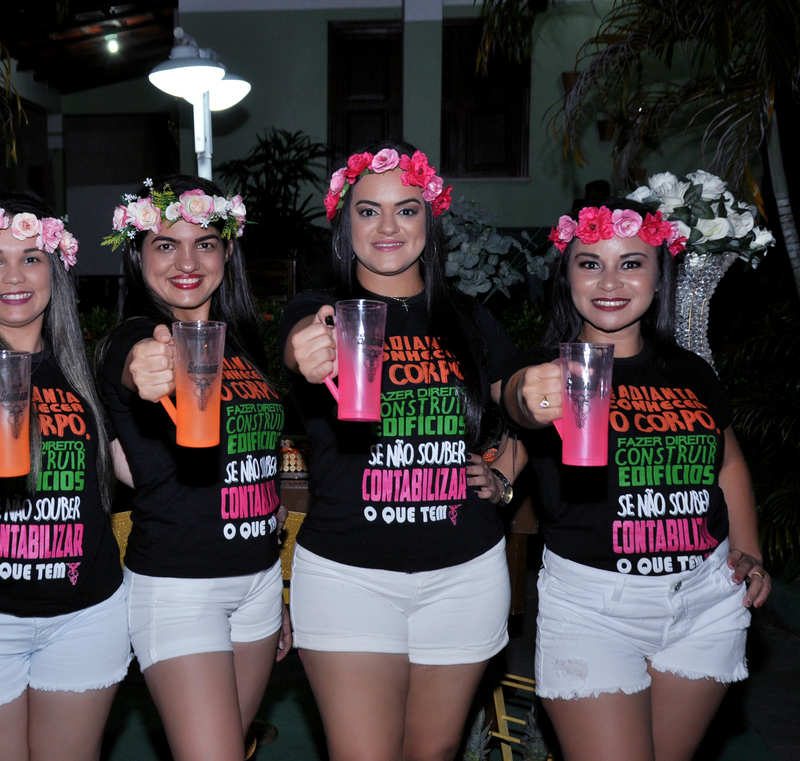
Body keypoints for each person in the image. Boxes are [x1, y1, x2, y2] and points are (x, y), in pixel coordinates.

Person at [503, 198, 771, 761]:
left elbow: (727, 462)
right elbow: (519, 404)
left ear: (658, 276)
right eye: (590, 263)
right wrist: (527, 398)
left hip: (706, 601)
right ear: (567, 276)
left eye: (630, 263)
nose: (610, 282)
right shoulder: (547, 369)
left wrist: (748, 550)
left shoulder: (689, 370)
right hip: (593, 609)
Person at [280, 141, 522, 761]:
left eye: (406, 210)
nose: (387, 227)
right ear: (345, 223)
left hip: (465, 574)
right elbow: (301, 341)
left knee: (433, 752)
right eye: (368, 211)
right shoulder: (320, 311)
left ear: (429, 219)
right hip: (347, 576)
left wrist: (504, 473)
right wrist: (308, 351)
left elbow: (525, 406)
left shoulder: (469, 319)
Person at [0, 194, 129, 761]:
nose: (13, 276)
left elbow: (134, 470)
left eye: (31, 258)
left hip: (85, 616)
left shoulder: (82, 370)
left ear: (55, 270)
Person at [96, 175, 287, 761]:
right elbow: (136, 363)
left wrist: (276, 587)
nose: (186, 262)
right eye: (165, 245)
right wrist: (146, 364)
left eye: (204, 243)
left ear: (227, 252)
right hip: (181, 586)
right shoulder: (136, 337)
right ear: (138, 256)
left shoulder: (241, 343)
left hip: (258, 581)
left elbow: (258, 470)